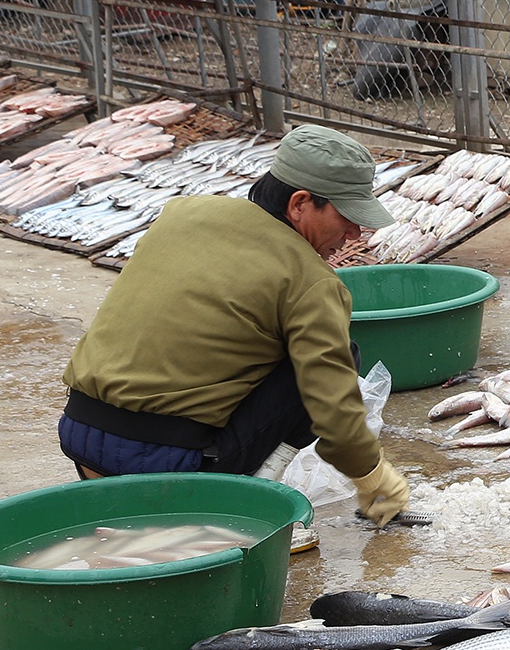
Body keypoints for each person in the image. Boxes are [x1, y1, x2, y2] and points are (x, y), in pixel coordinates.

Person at [59, 125, 411, 527]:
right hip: (166, 464)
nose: (356, 234)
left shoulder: (182, 214)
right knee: (331, 361)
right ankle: (245, 505)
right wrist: (372, 477)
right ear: (299, 204)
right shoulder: (310, 280)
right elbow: (333, 408)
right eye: (347, 217)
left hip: (81, 436)